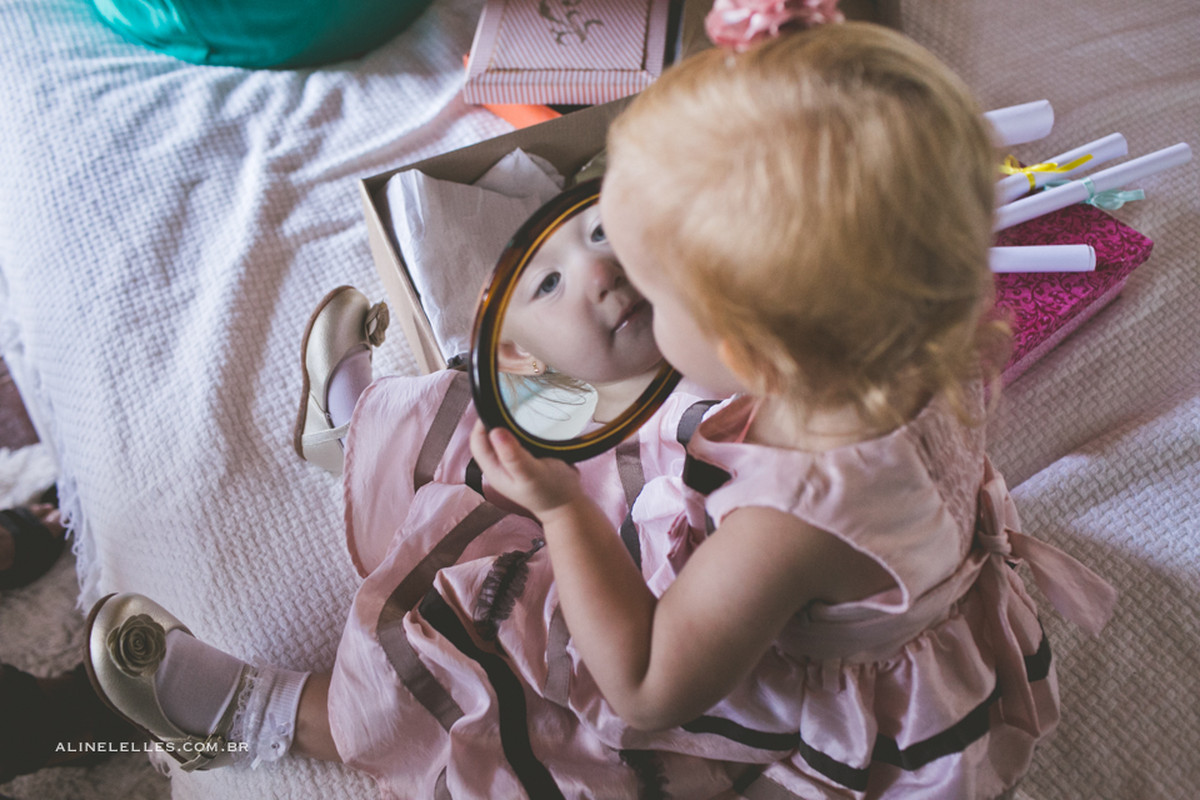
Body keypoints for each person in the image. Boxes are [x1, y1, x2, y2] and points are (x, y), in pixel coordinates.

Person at [468, 21, 1117, 799]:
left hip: (859, 704)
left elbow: (646, 686)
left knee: (507, 689)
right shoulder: (923, 332)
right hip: (926, 585)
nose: (617, 284)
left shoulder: (789, 517)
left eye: (658, 296)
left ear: (754, 359)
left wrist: (565, 512)